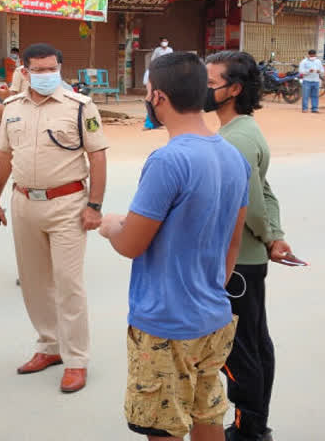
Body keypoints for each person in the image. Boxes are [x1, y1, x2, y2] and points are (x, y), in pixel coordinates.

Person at [99, 52, 250, 441]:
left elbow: (132, 243)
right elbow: (233, 241)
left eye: (148, 93)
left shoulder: (168, 160)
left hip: (166, 323)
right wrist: (210, 286)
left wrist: (111, 225)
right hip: (213, 315)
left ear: (159, 98)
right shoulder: (232, 156)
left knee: (163, 428)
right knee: (207, 415)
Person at [0, 43, 109, 394]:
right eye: (37, 70)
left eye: (50, 69)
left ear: (59, 68)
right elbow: (3, 158)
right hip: (24, 202)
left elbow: (97, 157)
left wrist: (94, 206)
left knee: (68, 283)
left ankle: (76, 360)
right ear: (24, 71)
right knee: (34, 282)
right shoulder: (11, 108)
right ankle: (49, 346)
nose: (44, 75)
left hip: (68, 204)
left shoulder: (79, 107)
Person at [205, 51, 301, 441]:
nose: (202, 89)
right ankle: (256, 425)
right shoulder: (243, 130)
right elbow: (265, 189)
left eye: (209, 84)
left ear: (234, 90)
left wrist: (268, 236)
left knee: (240, 351)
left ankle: (249, 430)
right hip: (249, 260)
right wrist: (275, 236)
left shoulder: (235, 142)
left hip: (238, 263)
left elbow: (253, 205)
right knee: (255, 344)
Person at [143, 37, 173, 130]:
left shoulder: (170, 52)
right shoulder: (153, 68)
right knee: (150, 98)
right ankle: (150, 123)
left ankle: (158, 122)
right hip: (154, 81)